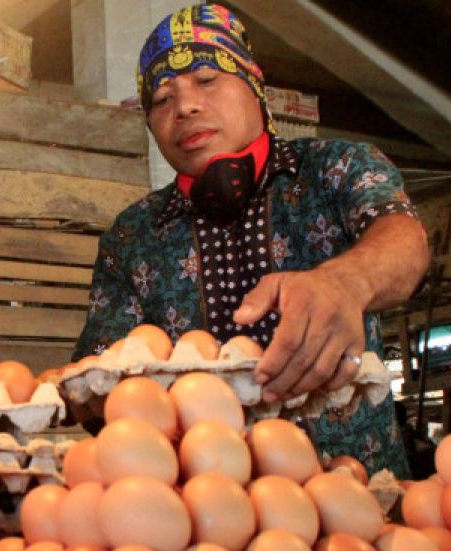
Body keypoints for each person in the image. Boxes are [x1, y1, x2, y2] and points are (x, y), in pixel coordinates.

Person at [73, 3, 430, 477]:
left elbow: (404, 239)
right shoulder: (132, 234)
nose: (186, 107)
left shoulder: (334, 168)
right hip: (205, 514)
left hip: (360, 497)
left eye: (207, 80)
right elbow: (96, 382)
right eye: (161, 98)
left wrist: (347, 281)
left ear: (254, 83)